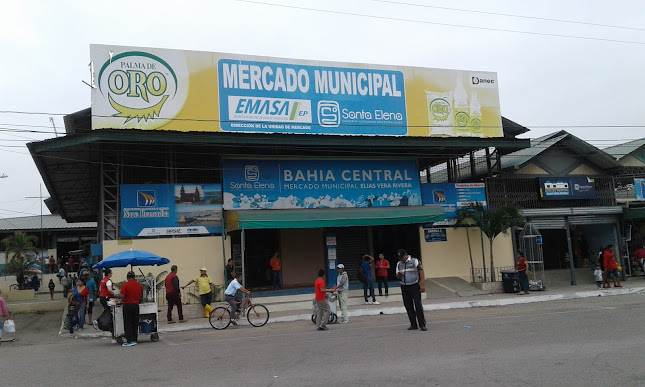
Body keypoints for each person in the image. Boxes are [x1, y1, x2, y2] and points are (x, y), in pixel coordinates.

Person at [396, 249, 427, 331]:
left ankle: (422, 325)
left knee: (418, 306)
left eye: (402, 257)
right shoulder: (399, 264)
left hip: (414, 286)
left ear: (406, 255)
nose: (401, 259)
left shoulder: (415, 261)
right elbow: (397, 275)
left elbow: (421, 272)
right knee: (408, 306)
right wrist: (399, 275)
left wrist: (422, 285)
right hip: (404, 287)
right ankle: (413, 324)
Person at [118, 271, 143, 347]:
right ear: (134, 277)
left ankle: (129, 340)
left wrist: (117, 296)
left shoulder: (125, 285)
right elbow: (140, 295)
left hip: (127, 305)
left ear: (127, 278)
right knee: (135, 322)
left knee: (128, 323)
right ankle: (135, 339)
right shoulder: (139, 285)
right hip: (136, 305)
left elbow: (122, 296)